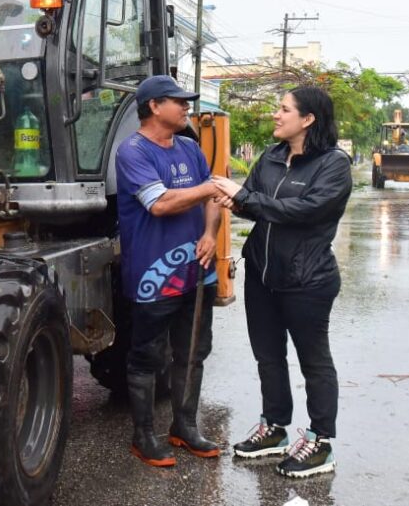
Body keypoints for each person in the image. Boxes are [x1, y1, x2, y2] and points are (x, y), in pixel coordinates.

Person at [211, 86, 351, 478]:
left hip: (307, 279)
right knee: (268, 357)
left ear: (307, 119)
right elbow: (255, 202)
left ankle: (321, 443)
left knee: (314, 362)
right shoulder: (272, 157)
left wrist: (247, 199)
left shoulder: (333, 165)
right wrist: (235, 200)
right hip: (262, 273)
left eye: (284, 109)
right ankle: (274, 428)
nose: (276, 114)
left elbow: (305, 211)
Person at [115, 75, 222, 467]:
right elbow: (159, 204)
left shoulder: (191, 148)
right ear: (154, 106)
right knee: (147, 357)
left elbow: (212, 198)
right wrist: (211, 188)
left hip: (200, 272)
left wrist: (210, 232)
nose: (187, 107)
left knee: (193, 352)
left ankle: (185, 427)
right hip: (154, 277)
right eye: (179, 101)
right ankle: (143, 436)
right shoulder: (133, 152)